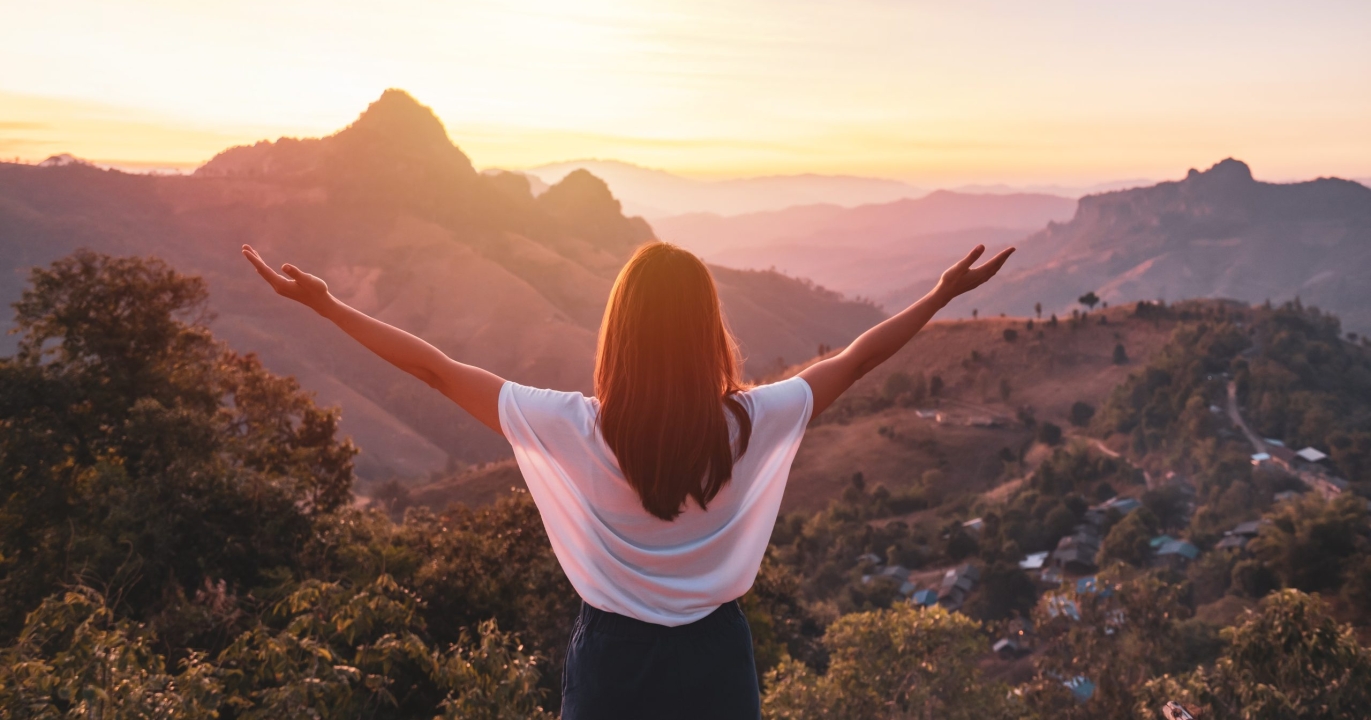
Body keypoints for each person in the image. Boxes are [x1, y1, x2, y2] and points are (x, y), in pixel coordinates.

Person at [242, 240, 1012, 719]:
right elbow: (855, 358)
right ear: (708, 332)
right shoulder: (749, 423)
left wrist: (330, 306)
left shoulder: (573, 426)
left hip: (613, 659)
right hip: (715, 657)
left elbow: (436, 371)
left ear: (619, 332)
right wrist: (940, 295)